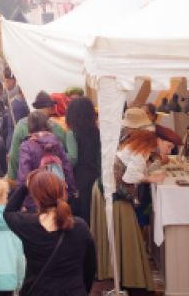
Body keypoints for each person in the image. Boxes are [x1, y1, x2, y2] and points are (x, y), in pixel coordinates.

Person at [4, 171, 96, 296]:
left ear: (36, 197)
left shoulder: (27, 225)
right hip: (73, 291)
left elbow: (8, 212)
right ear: (62, 192)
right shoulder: (80, 227)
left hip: (37, 291)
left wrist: (26, 186)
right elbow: (89, 266)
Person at [112, 130, 165, 292]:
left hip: (115, 194)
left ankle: (126, 277)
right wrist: (151, 179)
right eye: (167, 145)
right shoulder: (142, 152)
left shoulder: (138, 148)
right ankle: (130, 278)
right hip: (120, 198)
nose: (168, 148)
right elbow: (130, 177)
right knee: (127, 237)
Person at [17, 111, 75, 212]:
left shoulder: (27, 146)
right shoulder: (56, 142)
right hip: (58, 196)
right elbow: (67, 168)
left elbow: (24, 175)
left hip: (36, 199)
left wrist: (22, 201)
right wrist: (70, 191)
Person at [8, 91, 67, 181]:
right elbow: (65, 155)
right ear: (48, 108)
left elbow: (14, 155)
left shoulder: (21, 125)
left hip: (29, 178)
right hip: (52, 179)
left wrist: (13, 178)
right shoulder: (55, 127)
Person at [65, 98, 100, 223]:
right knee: (93, 214)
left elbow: (73, 158)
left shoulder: (72, 133)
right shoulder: (96, 131)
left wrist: (61, 160)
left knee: (81, 216)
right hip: (95, 177)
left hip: (79, 180)